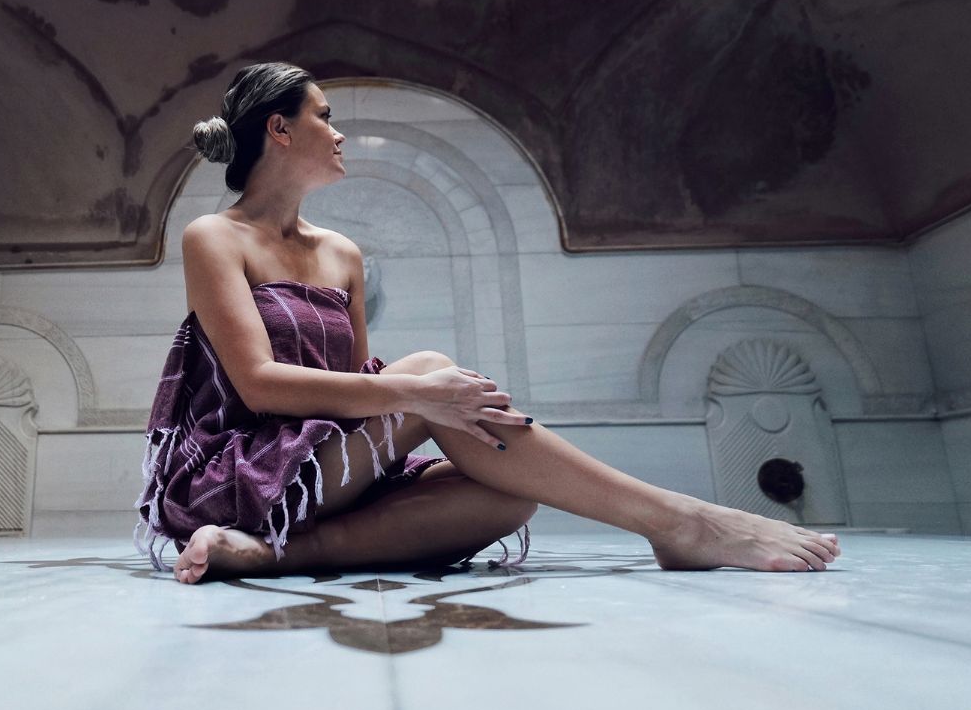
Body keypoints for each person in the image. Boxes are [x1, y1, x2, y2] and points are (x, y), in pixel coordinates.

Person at [133, 62, 840, 585]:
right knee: (425, 370)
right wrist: (420, 394)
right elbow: (259, 388)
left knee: (508, 500)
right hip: (245, 469)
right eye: (324, 115)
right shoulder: (213, 237)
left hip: (325, 472)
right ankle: (679, 521)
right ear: (278, 129)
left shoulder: (341, 253)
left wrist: (418, 405)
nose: (339, 130)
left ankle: (266, 554)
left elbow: (350, 391)